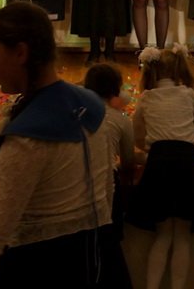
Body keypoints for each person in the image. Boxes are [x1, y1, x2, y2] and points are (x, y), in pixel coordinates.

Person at [0, 1, 121, 288]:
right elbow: (106, 193)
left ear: (20, 53)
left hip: (40, 268)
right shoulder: (92, 106)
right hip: (99, 259)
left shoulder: (27, 137)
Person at [127, 46, 194, 289]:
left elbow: (137, 134)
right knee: (183, 237)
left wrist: (149, 147)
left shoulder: (146, 97)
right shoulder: (189, 94)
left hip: (158, 164)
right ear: (179, 68)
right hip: (187, 163)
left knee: (163, 234)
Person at [82, 62, 135, 288]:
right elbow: (128, 161)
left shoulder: (77, 113)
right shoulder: (120, 119)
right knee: (109, 246)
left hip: (77, 184)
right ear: (115, 90)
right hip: (106, 185)